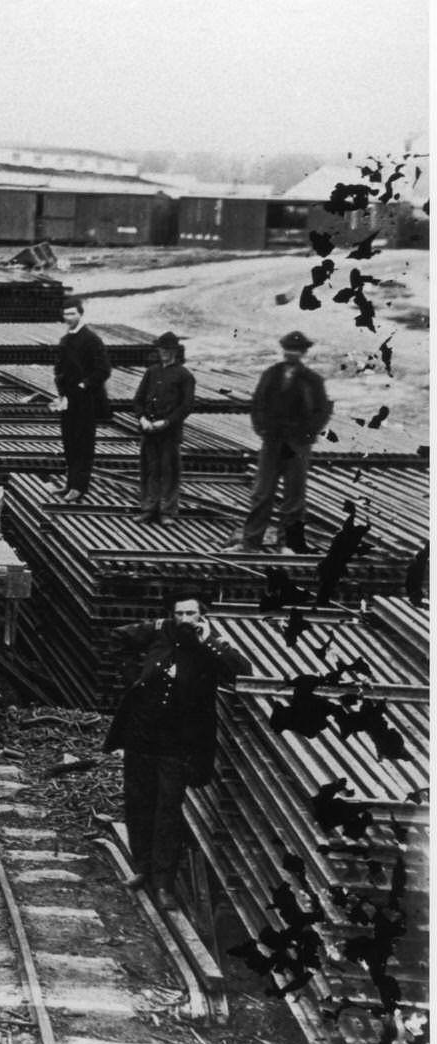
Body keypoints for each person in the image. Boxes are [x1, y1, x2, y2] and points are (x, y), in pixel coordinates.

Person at [105, 595, 251, 910]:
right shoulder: (159, 630)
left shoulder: (211, 644)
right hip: (142, 736)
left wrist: (210, 640)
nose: (185, 619)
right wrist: (134, 679)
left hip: (178, 743)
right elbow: (118, 638)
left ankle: (164, 885)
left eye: (191, 613)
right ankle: (141, 868)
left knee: (168, 812)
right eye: (180, 613)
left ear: (202, 616)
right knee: (138, 804)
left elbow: (241, 670)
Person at [221, 331, 332, 553]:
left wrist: (306, 434)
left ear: (303, 353)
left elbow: (322, 412)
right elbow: (257, 404)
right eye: (288, 349)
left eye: (296, 350)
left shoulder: (312, 380)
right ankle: (251, 543)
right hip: (272, 442)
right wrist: (261, 428)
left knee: (294, 496)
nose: (291, 353)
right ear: (283, 350)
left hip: (297, 445)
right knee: (262, 493)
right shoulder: (271, 374)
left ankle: (290, 544)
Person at [131, 331, 195, 525]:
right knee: (150, 470)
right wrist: (142, 418)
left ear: (175, 351)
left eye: (168, 349)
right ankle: (148, 509)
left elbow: (186, 406)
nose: (164, 353)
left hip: (169, 432)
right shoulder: (152, 371)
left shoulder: (185, 375)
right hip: (148, 429)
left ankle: (167, 511)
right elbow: (138, 399)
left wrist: (166, 422)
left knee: (169, 471)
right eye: (161, 349)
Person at [53, 297, 112, 502]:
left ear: (81, 313)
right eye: (66, 314)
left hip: (86, 400)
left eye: (72, 314)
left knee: (83, 444)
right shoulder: (65, 340)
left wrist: (83, 385)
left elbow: (103, 370)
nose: (69, 318)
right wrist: (61, 392)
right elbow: (60, 369)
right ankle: (69, 484)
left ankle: (79, 487)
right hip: (68, 399)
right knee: (69, 442)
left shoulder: (91, 339)